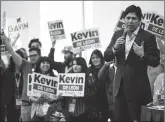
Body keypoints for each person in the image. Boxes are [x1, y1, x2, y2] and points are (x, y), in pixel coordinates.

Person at [104, 5, 160, 122]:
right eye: (128, 18)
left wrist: (143, 55)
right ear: (124, 19)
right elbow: (106, 55)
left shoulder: (148, 36)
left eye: (133, 18)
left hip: (138, 90)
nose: (130, 21)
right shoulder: (118, 34)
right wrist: (114, 48)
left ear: (140, 21)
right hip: (119, 90)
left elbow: (156, 61)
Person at [1, 32, 41, 121]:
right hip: (27, 105)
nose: (32, 57)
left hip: (41, 104)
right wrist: (5, 40)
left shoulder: (45, 66)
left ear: (40, 55)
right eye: (30, 56)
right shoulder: (26, 65)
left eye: (35, 55)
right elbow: (12, 52)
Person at [30, 56, 64, 121]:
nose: (46, 65)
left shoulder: (55, 78)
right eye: (43, 63)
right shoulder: (33, 77)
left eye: (48, 63)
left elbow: (58, 95)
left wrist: (56, 98)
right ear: (39, 64)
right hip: (36, 111)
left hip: (51, 112)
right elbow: (29, 96)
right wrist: (37, 100)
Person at [0, 48, 27, 121]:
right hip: (9, 103)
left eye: (19, 57)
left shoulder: (26, 73)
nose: (16, 59)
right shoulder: (6, 72)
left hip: (23, 103)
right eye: (15, 57)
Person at [84, 49, 109, 122]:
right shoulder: (88, 70)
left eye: (97, 57)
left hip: (105, 102)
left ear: (101, 58)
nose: (95, 59)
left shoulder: (108, 69)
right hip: (91, 104)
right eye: (93, 58)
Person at [67, 57, 87, 122]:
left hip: (82, 111)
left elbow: (92, 95)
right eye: (73, 64)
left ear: (82, 66)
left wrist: (82, 95)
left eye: (78, 64)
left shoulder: (87, 78)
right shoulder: (67, 78)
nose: (75, 66)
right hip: (70, 111)